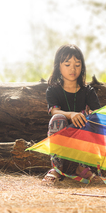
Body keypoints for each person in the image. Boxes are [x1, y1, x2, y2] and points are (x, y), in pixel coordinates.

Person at [43, 44, 101, 182]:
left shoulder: (88, 91)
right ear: (59, 66)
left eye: (77, 64)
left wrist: (91, 114)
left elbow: (97, 112)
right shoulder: (53, 90)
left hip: (82, 138)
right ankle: (57, 168)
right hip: (61, 135)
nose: (73, 69)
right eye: (67, 64)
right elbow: (54, 111)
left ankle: (83, 167)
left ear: (82, 67)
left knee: (92, 119)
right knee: (58, 118)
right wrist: (71, 115)